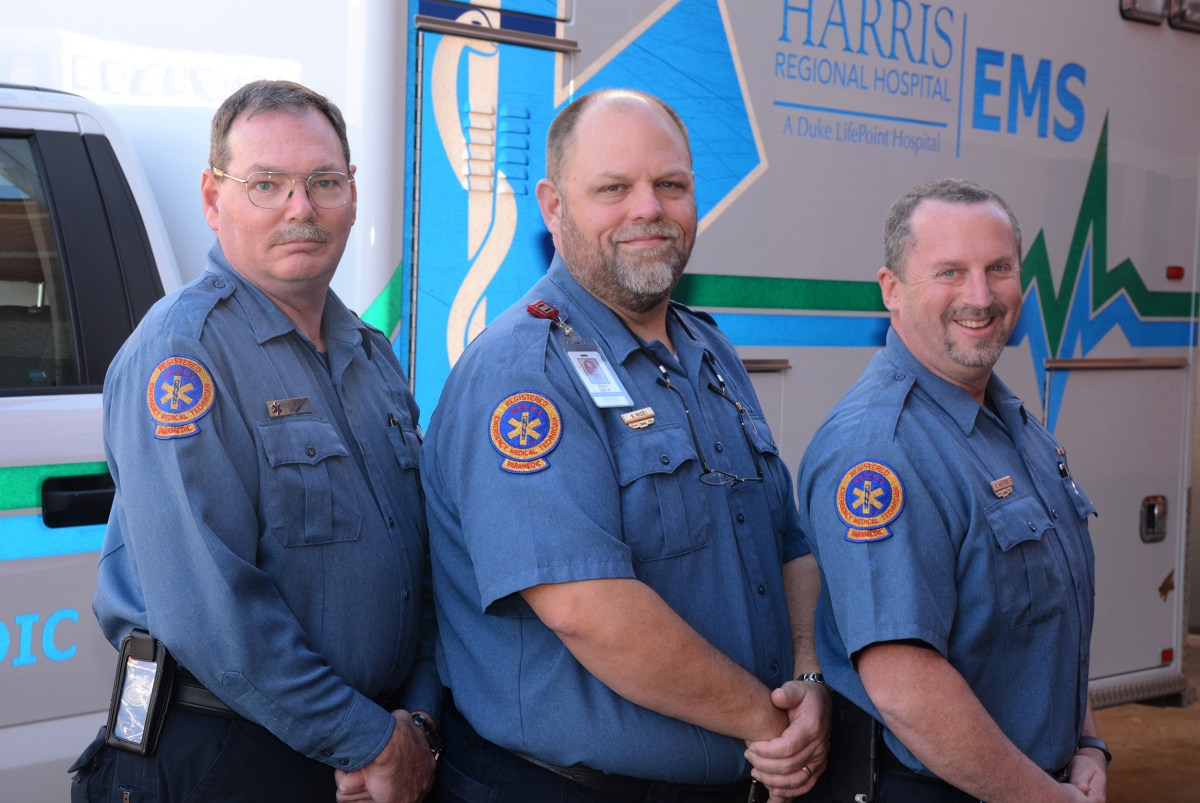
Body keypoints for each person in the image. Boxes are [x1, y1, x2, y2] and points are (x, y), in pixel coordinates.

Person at [421, 89, 831, 803]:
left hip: (740, 771)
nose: (649, 209)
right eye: (614, 188)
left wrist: (809, 674)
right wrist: (770, 722)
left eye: (670, 185)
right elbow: (590, 609)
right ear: (553, 206)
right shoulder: (525, 373)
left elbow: (789, 540)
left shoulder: (708, 350)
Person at [69, 81, 440, 803]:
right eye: (265, 184)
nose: (300, 208)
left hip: (359, 762)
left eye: (323, 182)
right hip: (226, 754)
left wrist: (415, 723)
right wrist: (368, 738)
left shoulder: (372, 356)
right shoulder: (181, 354)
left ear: (353, 196)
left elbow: (421, 567)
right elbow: (213, 611)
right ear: (213, 199)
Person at [795, 178, 1107, 803]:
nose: (980, 295)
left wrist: (1086, 745)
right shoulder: (880, 449)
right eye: (949, 272)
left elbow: (1043, 628)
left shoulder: (1011, 424)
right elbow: (905, 687)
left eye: (999, 268)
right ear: (892, 290)